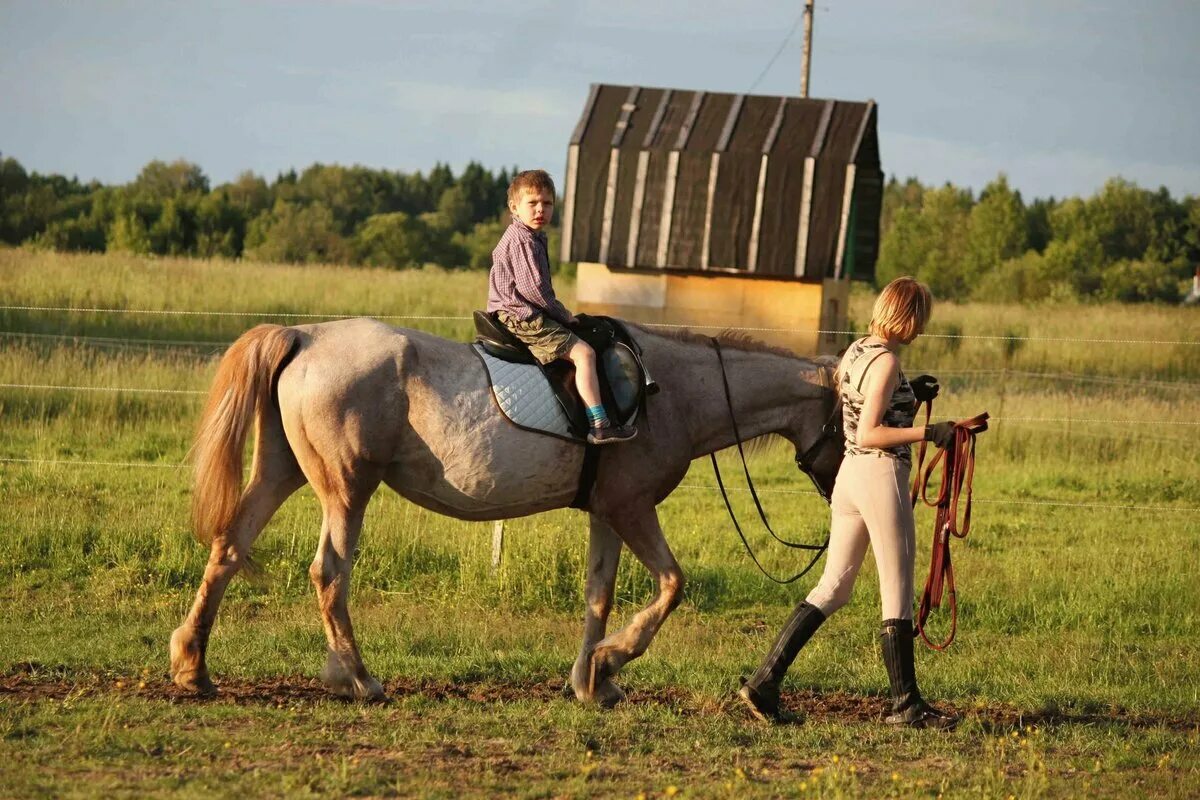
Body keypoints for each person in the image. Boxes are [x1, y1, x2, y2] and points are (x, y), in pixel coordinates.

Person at [737, 276, 958, 728]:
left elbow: (859, 409)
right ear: (909, 316)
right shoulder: (887, 363)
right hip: (879, 474)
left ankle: (764, 683)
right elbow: (871, 430)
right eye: (921, 319)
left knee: (833, 589)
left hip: (850, 479)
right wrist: (929, 432)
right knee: (895, 588)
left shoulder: (858, 350)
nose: (921, 328)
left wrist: (912, 392)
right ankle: (905, 704)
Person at [486, 169, 636, 445]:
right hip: (522, 316)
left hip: (523, 311)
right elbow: (535, 291)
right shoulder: (522, 240)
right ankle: (599, 424)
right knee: (584, 354)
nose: (540, 209)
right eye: (532, 203)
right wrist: (563, 315)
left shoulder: (531, 236)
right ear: (514, 207)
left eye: (547, 203)